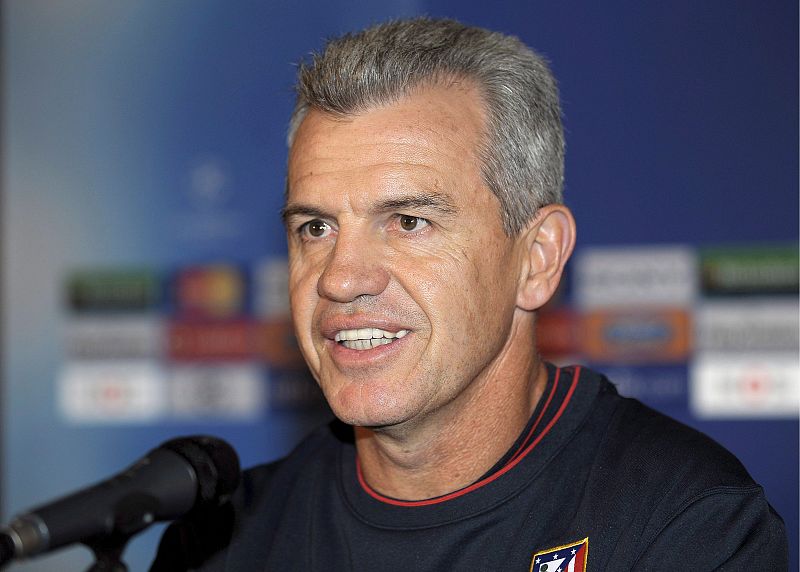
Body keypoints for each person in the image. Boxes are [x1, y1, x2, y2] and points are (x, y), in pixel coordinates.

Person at [151, 17, 787, 571]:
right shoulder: (222, 542)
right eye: (315, 228)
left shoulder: (683, 523)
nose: (340, 279)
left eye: (408, 222)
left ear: (536, 259)